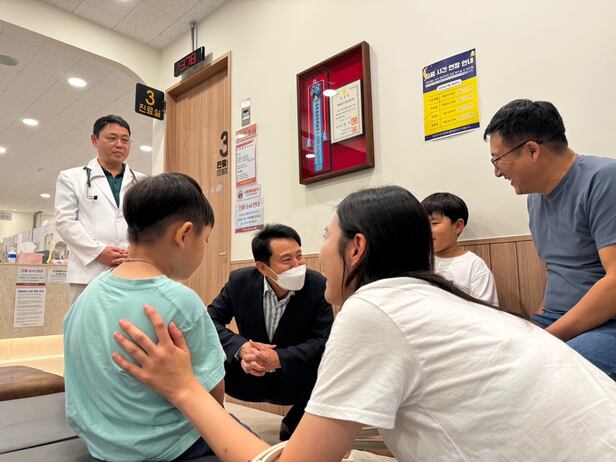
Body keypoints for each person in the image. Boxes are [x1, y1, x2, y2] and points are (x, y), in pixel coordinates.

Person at [113, 185, 616, 462]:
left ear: (356, 248)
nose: (310, 259)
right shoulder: (439, 300)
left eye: (323, 238)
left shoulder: (374, 308)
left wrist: (184, 388)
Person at [64, 173, 226, 461]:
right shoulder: (181, 301)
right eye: (206, 240)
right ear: (184, 235)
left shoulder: (88, 295)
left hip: (101, 446)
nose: (204, 248)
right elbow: (214, 398)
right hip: (171, 448)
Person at [484, 99, 616, 379]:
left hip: (607, 324)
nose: (497, 172)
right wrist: (536, 326)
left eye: (497, 159)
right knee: (488, 363)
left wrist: (546, 339)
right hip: (559, 320)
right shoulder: (534, 199)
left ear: (532, 150)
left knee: (548, 376)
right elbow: (556, 271)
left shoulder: (605, 179)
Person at [207, 224, 334, 440]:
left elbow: (323, 340)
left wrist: (278, 358)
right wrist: (241, 348)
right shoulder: (239, 282)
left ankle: (295, 423)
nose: (297, 265)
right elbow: (209, 321)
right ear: (263, 268)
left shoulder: (317, 285)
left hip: (294, 377)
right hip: (245, 374)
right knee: (201, 350)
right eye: (287, 260)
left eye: (299, 256)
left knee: (331, 365)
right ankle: (214, 426)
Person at [55, 114, 146, 304]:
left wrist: (136, 251)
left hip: (131, 268)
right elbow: (65, 222)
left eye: (125, 140)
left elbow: (148, 223)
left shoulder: (141, 181)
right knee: (86, 321)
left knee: (128, 320)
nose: (119, 144)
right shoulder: (71, 178)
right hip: (88, 273)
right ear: (94, 140)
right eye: (112, 138)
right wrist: (98, 252)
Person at [421, 192, 498, 304]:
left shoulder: (474, 266)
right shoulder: (419, 261)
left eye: (434, 223)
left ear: (458, 226)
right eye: (423, 223)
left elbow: (487, 309)